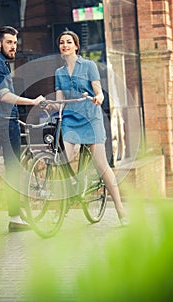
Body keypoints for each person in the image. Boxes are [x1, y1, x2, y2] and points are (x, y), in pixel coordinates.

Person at [0, 25, 45, 232]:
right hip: (4, 120)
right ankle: (15, 219)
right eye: (9, 42)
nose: (13, 47)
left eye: (15, 42)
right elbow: (3, 95)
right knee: (13, 169)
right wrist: (32, 102)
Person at [54, 30, 127, 225]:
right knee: (65, 160)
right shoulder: (59, 73)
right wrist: (50, 105)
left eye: (69, 42)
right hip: (70, 118)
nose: (65, 45)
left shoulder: (88, 66)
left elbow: (98, 91)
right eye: (62, 42)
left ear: (76, 46)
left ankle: (121, 211)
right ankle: (71, 191)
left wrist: (99, 98)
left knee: (102, 165)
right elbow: (60, 100)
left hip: (90, 117)